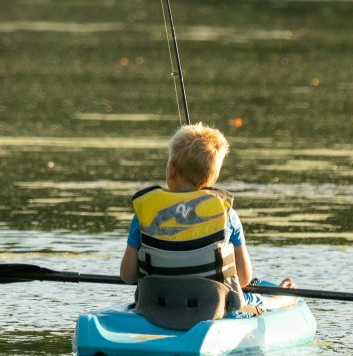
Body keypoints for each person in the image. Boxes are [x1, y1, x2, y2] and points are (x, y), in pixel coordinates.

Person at [119, 122, 296, 316]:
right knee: (252, 300)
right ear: (212, 177)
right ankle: (282, 299)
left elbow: (127, 275)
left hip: (156, 305)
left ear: (171, 169)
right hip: (215, 308)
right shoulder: (227, 214)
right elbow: (244, 278)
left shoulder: (145, 212)